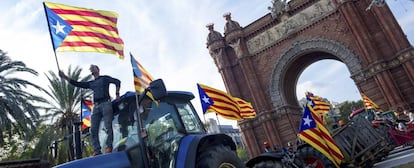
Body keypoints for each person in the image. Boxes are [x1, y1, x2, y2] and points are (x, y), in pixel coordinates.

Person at [59, 64, 121, 156]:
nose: (92, 69)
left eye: (93, 67)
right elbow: (78, 84)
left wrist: (117, 94)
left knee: (108, 126)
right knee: (93, 129)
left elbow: (117, 81)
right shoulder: (91, 83)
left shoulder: (104, 78)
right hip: (96, 106)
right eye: (90, 68)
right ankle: (97, 150)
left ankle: (109, 147)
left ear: (98, 69)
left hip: (106, 103)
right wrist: (65, 77)